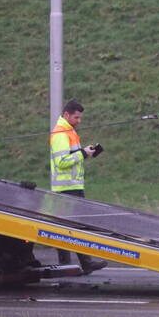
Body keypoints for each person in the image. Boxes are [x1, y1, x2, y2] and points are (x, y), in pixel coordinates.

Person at [49, 99, 107, 273]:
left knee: (73, 227)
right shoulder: (61, 134)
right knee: (71, 228)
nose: (79, 121)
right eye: (76, 117)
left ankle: (80, 264)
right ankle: (77, 264)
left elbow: (70, 157)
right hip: (66, 188)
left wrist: (85, 153)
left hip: (72, 186)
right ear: (66, 115)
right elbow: (62, 162)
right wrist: (82, 153)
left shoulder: (69, 131)